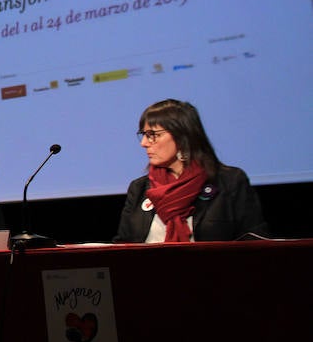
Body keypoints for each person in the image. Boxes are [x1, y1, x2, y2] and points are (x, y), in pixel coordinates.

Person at [113, 99, 270, 243]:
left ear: (182, 136)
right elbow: (123, 246)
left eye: (153, 135)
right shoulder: (139, 188)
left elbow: (254, 241)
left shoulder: (229, 181)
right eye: (144, 135)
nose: (145, 143)